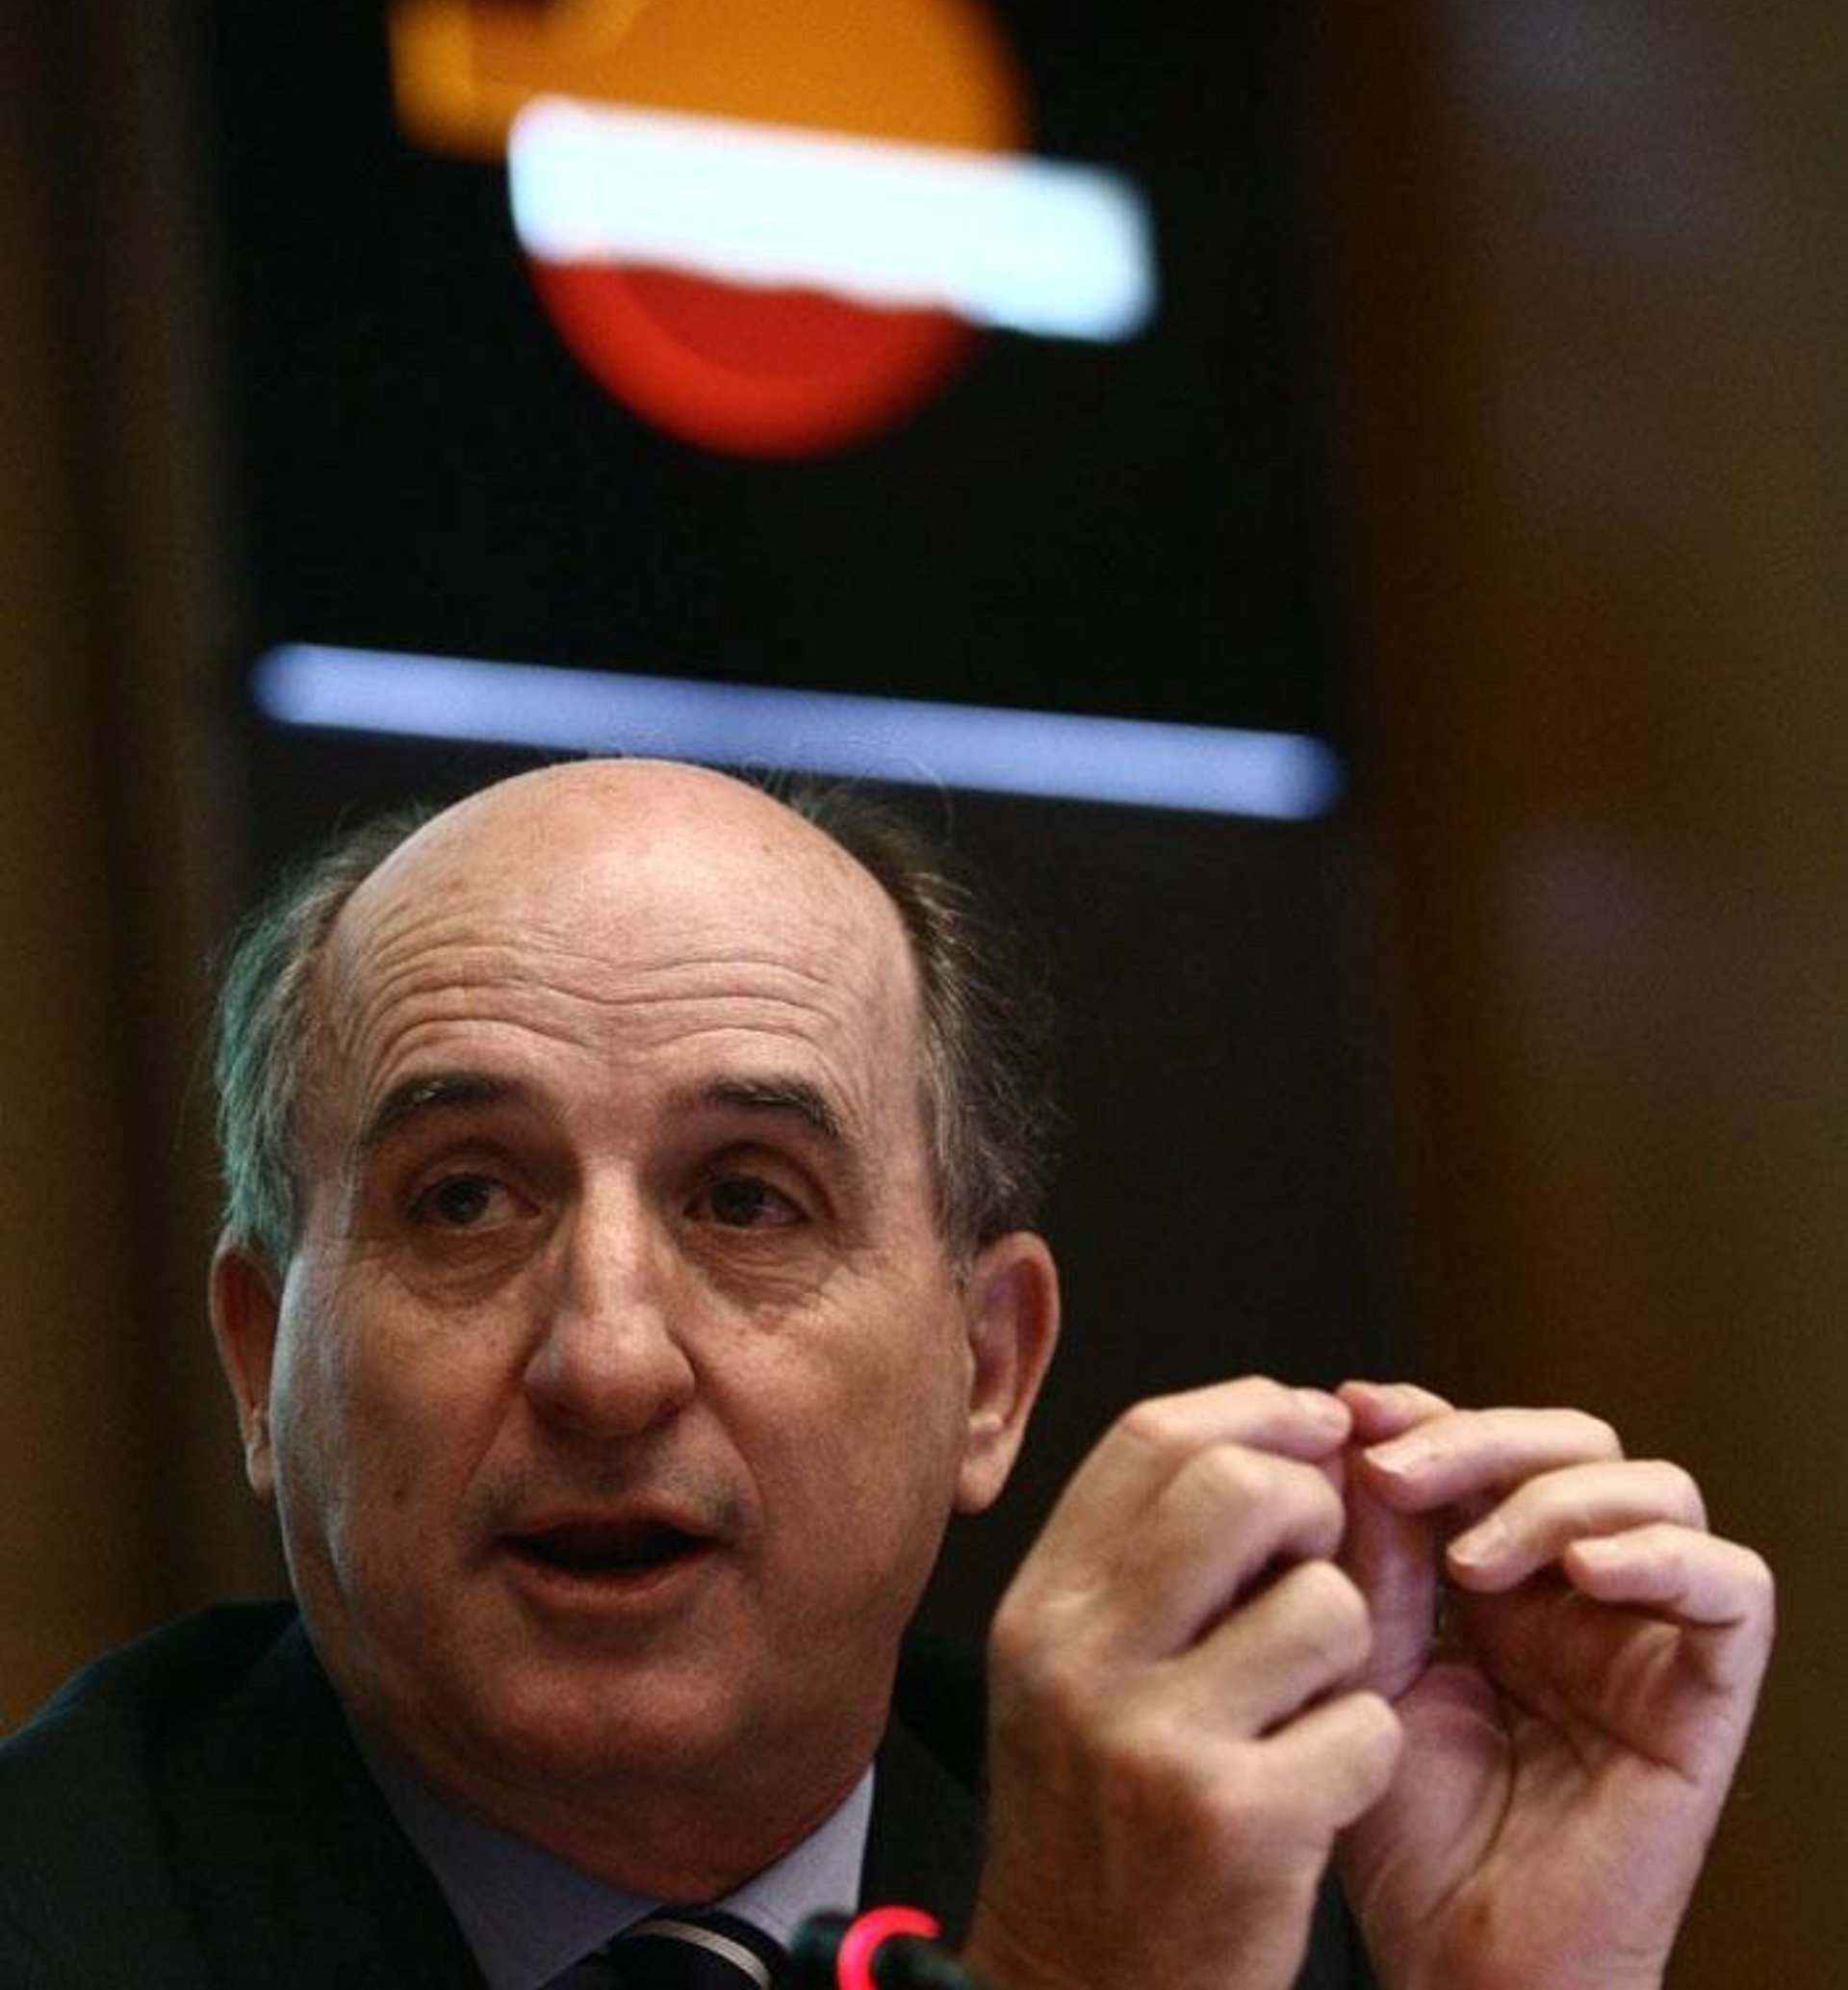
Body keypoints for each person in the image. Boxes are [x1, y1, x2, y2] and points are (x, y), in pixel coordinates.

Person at [0, 757, 1773, 1990]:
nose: (606, 1358)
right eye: (464, 1197)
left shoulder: (1284, 1918)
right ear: (262, 1361)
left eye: (745, 1199)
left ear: (988, 1369)